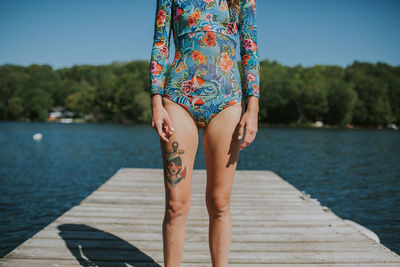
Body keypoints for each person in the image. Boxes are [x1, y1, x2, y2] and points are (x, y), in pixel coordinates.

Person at [149, 0, 260, 266]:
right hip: (177, 98)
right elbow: (161, 44)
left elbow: (249, 49)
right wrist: (156, 102)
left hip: (226, 101)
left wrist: (252, 107)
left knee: (219, 203)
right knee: (175, 204)